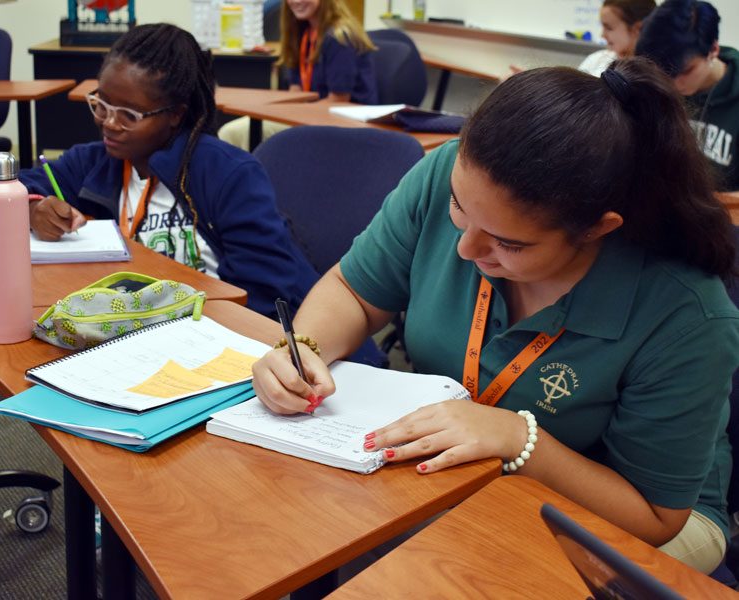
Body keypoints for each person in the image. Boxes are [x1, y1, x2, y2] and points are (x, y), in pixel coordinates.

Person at [252, 57, 739, 574]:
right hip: (470, 467)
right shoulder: (454, 173)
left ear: (597, 228)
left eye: (508, 243)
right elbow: (355, 289)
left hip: (639, 508)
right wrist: (300, 350)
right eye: (458, 210)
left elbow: (655, 515)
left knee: (479, 573)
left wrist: (516, 439)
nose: (465, 249)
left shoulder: (685, 314)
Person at [20, 23, 318, 320]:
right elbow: (13, 188)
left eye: (129, 115)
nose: (109, 123)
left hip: (229, 335)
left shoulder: (228, 174)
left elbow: (263, 295)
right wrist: (35, 208)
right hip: (138, 327)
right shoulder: (95, 162)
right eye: (102, 105)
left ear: (176, 114)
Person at [218, 0, 378, 151]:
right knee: (237, 129)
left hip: (343, 122)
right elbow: (296, 91)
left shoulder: (340, 37)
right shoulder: (303, 32)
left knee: (233, 133)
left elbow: (338, 100)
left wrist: (290, 111)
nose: (296, 1)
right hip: (310, 116)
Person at [636, 0, 739, 191]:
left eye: (687, 71)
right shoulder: (657, 84)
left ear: (713, 50)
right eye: (666, 73)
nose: (674, 84)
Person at [578, 0, 657, 76]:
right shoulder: (595, 60)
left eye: (609, 28)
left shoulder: (655, 73)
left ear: (637, 29)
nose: (602, 35)